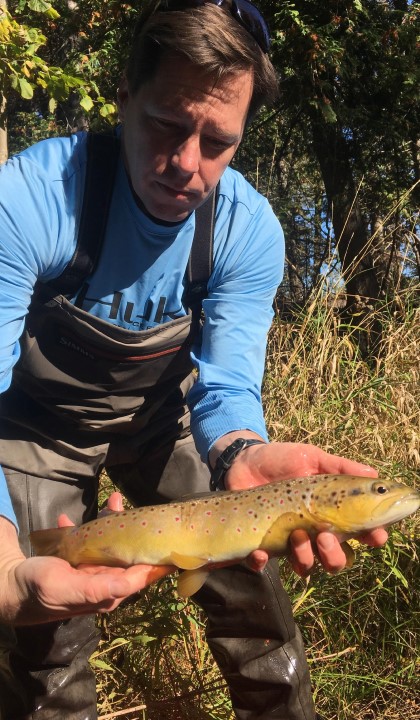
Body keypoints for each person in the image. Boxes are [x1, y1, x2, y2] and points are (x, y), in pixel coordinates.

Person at [0, 1, 387, 718]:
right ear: (124, 97)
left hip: (158, 423)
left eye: (218, 141)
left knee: (253, 591)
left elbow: (226, 385)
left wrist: (242, 449)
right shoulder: (31, 200)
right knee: (44, 631)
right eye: (167, 126)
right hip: (36, 433)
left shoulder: (246, 230)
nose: (187, 164)